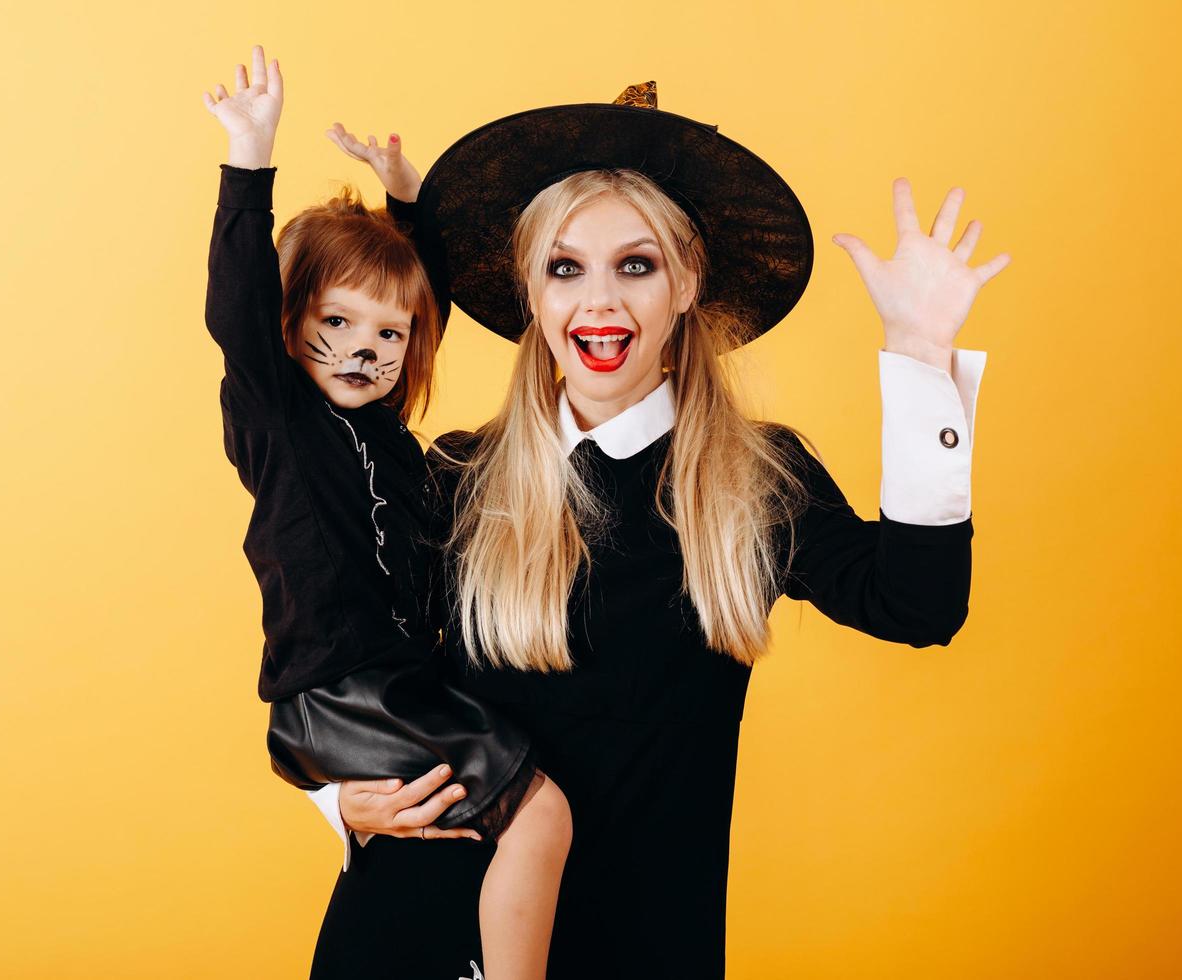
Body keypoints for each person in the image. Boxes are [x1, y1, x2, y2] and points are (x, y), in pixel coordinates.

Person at [303, 80, 1007, 979]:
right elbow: (339, 639)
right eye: (565, 268)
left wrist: (918, 353)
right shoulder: (455, 474)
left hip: (639, 940)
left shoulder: (757, 482)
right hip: (420, 930)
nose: (599, 301)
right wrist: (340, 799)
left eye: (635, 265)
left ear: (686, 283)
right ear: (530, 291)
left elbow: (919, 604)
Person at [200, 46, 573, 980]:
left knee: (483, 832)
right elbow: (237, 314)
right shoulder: (284, 424)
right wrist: (249, 161)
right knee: (540, 813)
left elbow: (425, 301)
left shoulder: (392, 433)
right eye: (336, 325)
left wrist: (410, 205)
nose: (364, 354)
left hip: (393, 690)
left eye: (387, 338)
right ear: (291, 327)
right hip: (336, 694)